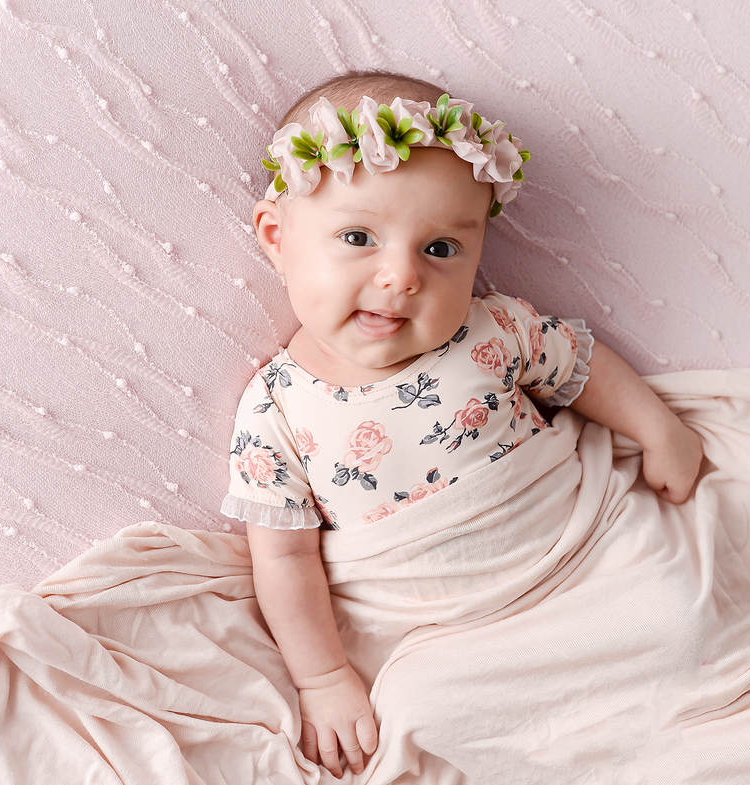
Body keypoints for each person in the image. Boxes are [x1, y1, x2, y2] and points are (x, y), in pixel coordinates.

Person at [221, 70, 704, 779]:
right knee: (418, 705)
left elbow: (582, 366)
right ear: (276, 235)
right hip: (440, 624)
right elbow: (285, 559)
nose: (401, 277)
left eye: (441, 249)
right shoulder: (277, 407)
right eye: (358, 236)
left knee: (672, 598)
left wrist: (659, 430)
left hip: (568, 553)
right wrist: (322, 677)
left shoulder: (491, 329)